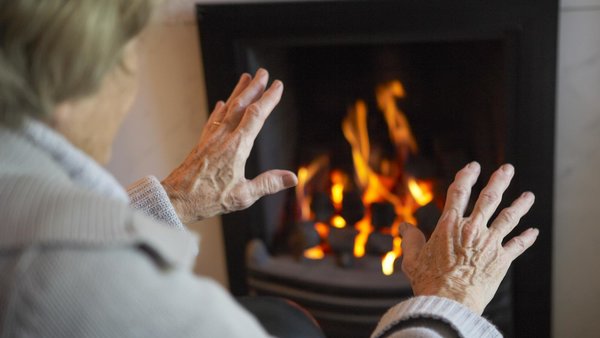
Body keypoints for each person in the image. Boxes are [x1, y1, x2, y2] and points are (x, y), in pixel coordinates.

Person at [0, 1, 538, 337]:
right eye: (126, 59)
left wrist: (172, 201)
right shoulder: (96, 288)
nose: (131, 81)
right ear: (68, 92)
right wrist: (448, 302)